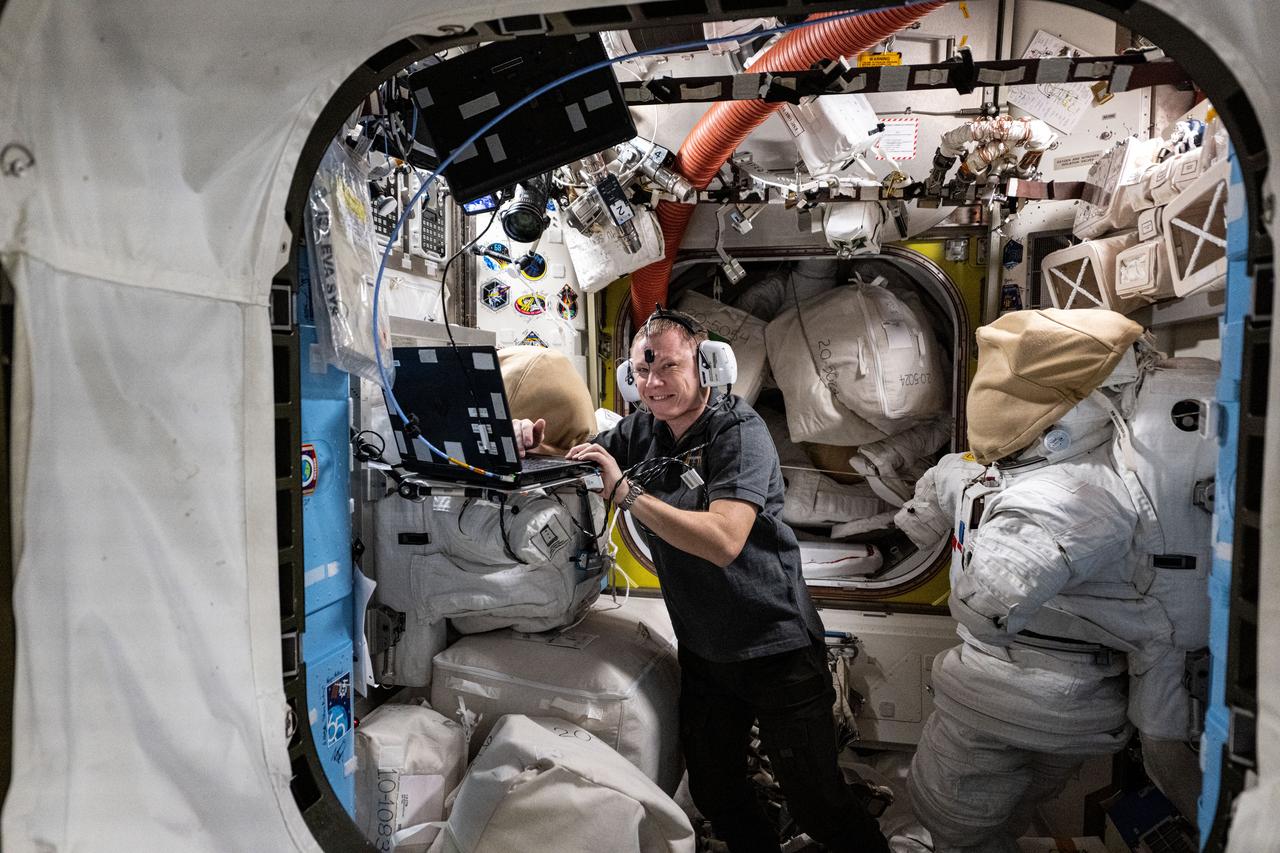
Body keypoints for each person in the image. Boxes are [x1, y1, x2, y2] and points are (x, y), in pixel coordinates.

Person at [522, 307, 889, 853]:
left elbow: (724, 540)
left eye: (669, 367)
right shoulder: (643, 429)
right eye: (642, 371)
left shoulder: (739, 432)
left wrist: (628, 495)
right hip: (705, 649)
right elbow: (588, 467)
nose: (653, 383)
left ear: (709, 366)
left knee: (816, 801)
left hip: (775, 646)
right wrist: (536, 448)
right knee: (717, 791)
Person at [899, 308, 1189, 853]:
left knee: (951, 823)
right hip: (1052, 699)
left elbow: (982, 606)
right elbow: (921, 521)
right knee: (993, 825)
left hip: (1014, 693)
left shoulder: (1077, 499)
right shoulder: (989, 472)